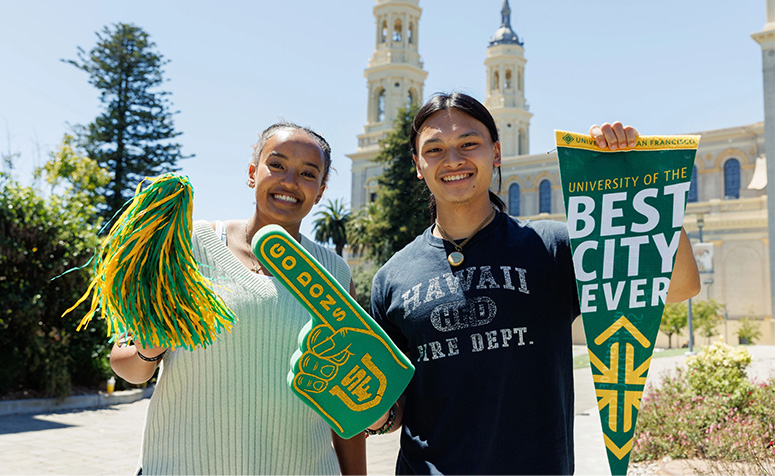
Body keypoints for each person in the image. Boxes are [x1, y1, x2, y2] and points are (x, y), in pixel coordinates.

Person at [366, 92, 701, 475]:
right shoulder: (391, 279)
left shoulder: (553, 247)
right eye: (435, 149)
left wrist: (636, 182)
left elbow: (679, 288)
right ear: (418, 165)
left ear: (496, 153)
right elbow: (397, 408)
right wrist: (374, 415)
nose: (453, 159)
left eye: (468, 144)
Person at [110, 122, 367, 475]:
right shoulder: (188, 245)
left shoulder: (335, 273)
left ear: (320, 191)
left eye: (308, 173)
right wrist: (148, 349)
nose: (289, 181)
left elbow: (346, 410)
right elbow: (126, 367)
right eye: (276, 165)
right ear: (252, 173)